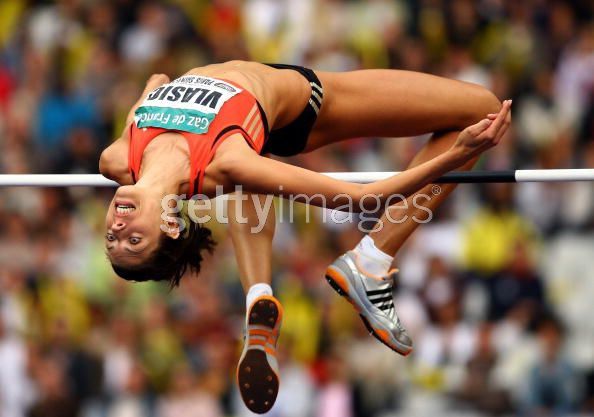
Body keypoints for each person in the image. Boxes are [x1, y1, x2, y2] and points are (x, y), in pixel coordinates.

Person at [99, 60, 510, 414]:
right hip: (303, 104)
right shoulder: (225, 161)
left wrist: (155, 99)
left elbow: (156, 79)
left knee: (248, 173)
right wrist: (455, 155)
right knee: (483, 110)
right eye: (134, 242)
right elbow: (364, 200)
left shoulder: (118, 158)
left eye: (112, 241)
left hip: (253, 127)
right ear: (171, 223)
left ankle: (258, 293)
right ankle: (371, 260)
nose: (117, 231)